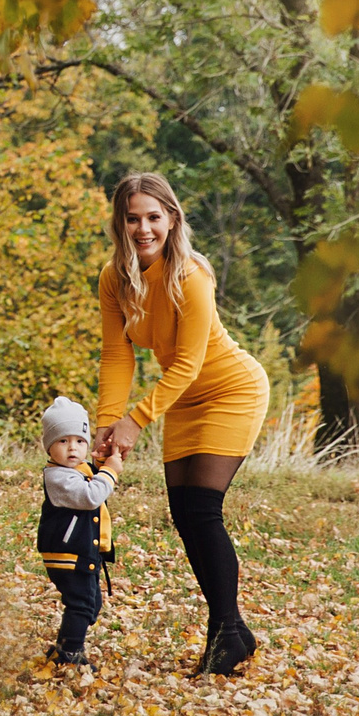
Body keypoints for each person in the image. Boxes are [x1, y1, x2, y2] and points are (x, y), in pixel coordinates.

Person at [92, 173, 271, 676]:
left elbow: (189, 362)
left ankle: (224, 639)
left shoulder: (191, 274)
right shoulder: (114, 278)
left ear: (172, 219)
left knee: (202, 509)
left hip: (231, 390)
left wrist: (135, 422)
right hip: (183, 399)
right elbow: (115, 354)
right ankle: (234, 631)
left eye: (153, 216)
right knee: (184, 513)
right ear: (120, 223)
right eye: (133, 218)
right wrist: (108, 421)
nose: (143, 228)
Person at [36, 395, 118, 667]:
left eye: (80, 441)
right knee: (81, 603)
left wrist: (101, 461)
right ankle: (71, 654)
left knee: (90, 604)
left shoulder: (77, 469)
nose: (72, 448)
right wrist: (111, 473)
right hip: (67, 554)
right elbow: (90, 495)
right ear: (49, 447)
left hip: (82, 552)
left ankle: (62, 646)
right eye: (63, 441)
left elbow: (89, 474)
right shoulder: (58, 477)